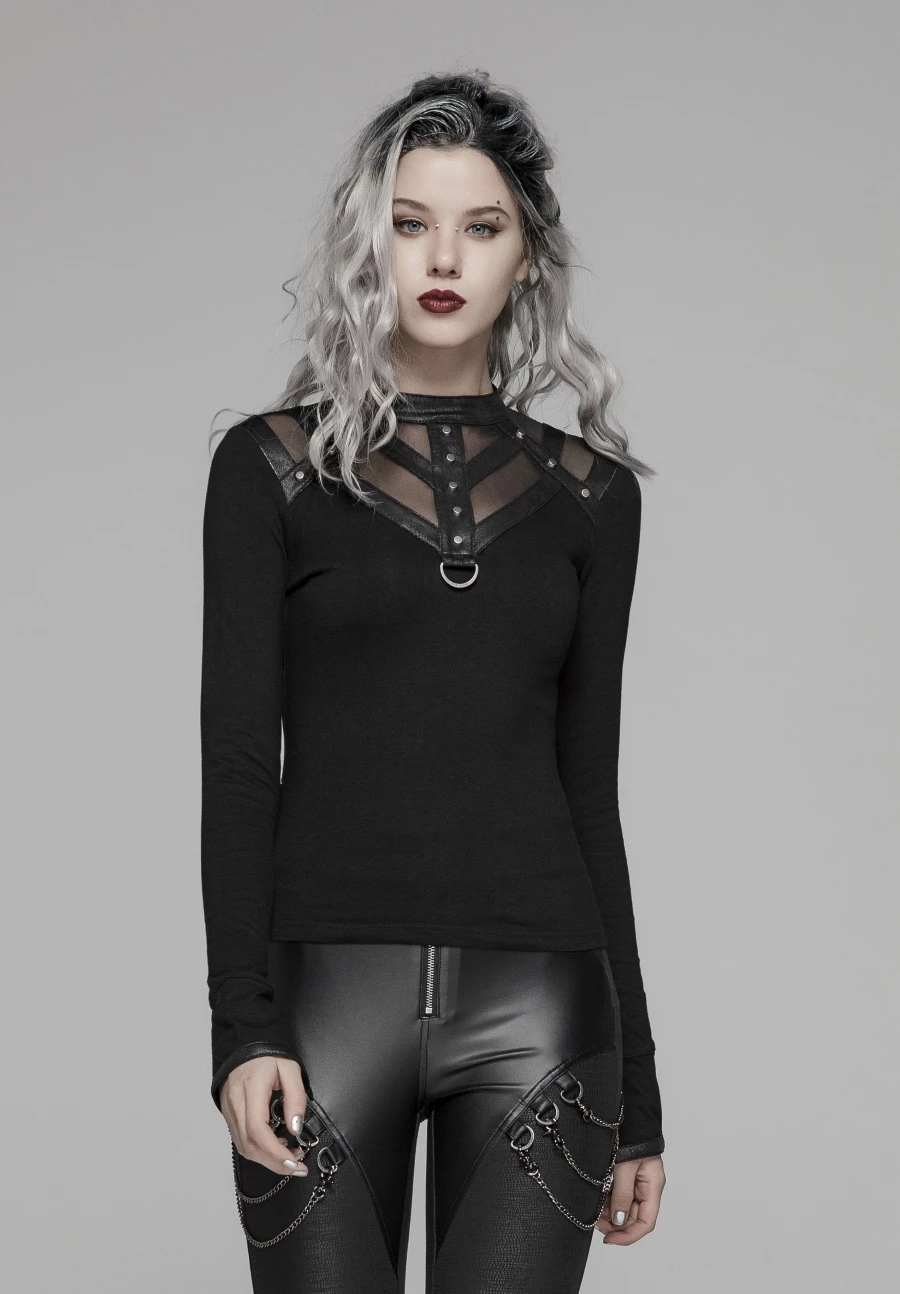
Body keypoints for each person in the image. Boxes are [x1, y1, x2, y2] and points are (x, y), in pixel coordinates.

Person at [200, 68, 666, 1293]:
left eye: (481, 225)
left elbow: (589, 790)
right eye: (411, 223)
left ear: (528, 255)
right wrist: (242, 1028)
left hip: (544, 1008)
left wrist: (642, 1097)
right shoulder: (273, 472)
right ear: (373, 243)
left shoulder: (591, 499)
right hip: (322, 1008)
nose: (444, 257)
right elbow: (239, 765)